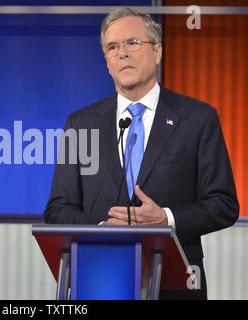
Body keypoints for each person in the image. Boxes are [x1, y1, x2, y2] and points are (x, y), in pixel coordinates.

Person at [44, 7, 239, 300]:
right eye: (112, 47)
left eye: (132, 42)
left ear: (157, 51)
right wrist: (101, 230)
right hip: (101, 279)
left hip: (176, 286)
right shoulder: (80, 123)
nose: (122, 53)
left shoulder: (198, 118)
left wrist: (166, 219)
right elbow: (58, 209)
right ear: (107, 61)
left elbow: (223, 205)